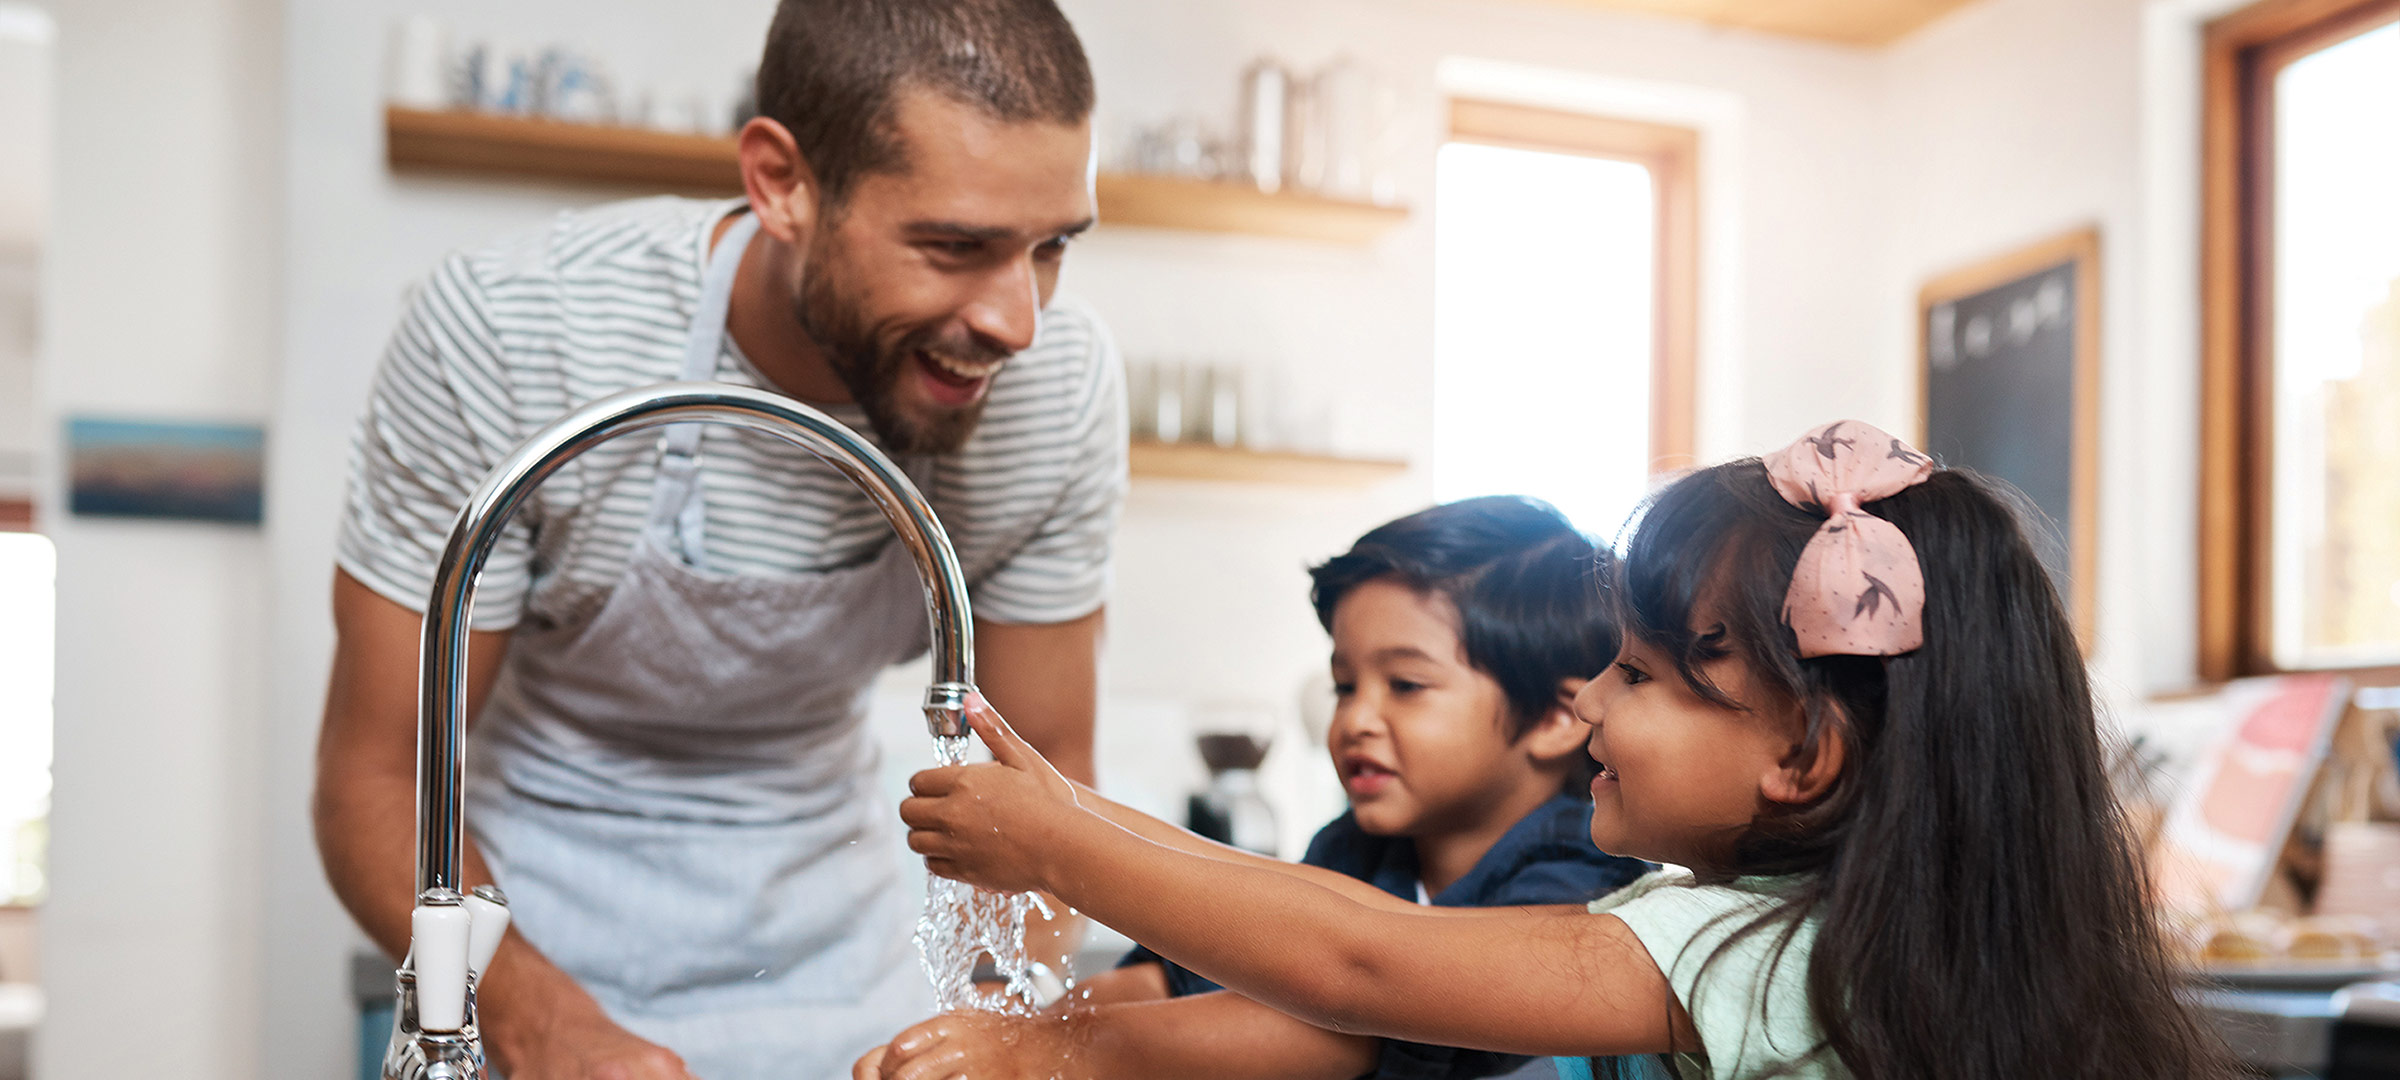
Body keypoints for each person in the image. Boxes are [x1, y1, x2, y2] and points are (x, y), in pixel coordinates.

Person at [885, 421, 2236, 1079]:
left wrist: (1064, 843)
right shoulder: (1825, 932)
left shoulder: (1719, 948)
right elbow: (1323, 915)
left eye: (1641, 675)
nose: (1591, 707)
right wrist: (1070, 813)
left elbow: (1362, 964)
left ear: (1803, 760)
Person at [311, 3, 1123, 1079]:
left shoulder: (1049, 393)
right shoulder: (515, 334)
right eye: (955, 247)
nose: (1017, 321)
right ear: (782, 181)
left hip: (843, 966)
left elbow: (1049, 776)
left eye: (1052, 246)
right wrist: (536, 1026)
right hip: (533, 934)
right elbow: (375, 780)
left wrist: (988, 1019)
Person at [859, 496, 1652, 1080]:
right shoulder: (1358, 846)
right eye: (1345, 686)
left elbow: (1345, 1018)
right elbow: (1210, 960)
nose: (1356, 721)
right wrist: (1049, 1014)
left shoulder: (1580, 875)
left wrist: (1048, 1054)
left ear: (1557, 717)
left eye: (1405, 686)